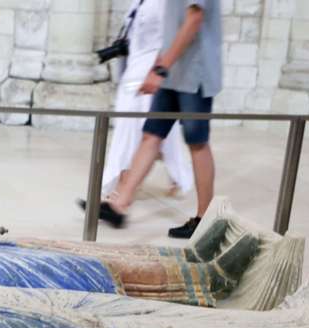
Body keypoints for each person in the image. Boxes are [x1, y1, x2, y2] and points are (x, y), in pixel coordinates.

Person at [89, 0, 222, 239]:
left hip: (193, 72)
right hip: (171, 71)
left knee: (196, 140)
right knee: (152, 134)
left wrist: (161, 68)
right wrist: (161, 66)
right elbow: (173, 27)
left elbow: (194, 20)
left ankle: (205, 220)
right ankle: (119, 205)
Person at [100, 0, 194, 199]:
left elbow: (173, 34)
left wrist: (160, 70)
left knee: (142, 132)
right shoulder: (138, 2)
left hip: (150, 71)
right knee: (145, 132)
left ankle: (120, 186)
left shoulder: (166, 4)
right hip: (133, 70)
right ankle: (173, 174)